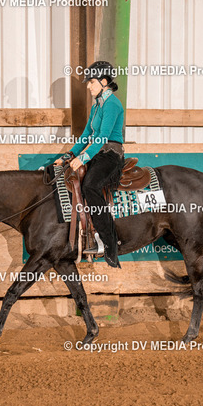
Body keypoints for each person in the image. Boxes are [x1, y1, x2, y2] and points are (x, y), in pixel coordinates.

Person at [55, 61, 125, 268]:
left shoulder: (112, 104)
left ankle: (108, 242)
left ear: (103, 82)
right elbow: (86, 135)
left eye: (91, 82)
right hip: (98, 153)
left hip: (111, 154)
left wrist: (83, 158)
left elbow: (102, 136)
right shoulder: (97, 105)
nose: (88, 86)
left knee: (90, 186)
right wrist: (69, 155)